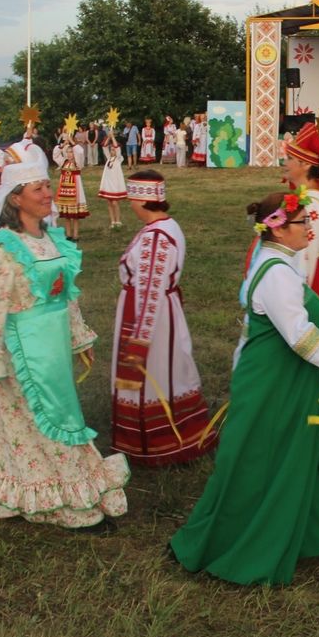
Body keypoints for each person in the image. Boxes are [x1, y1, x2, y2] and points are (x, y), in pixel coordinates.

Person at [169, 190, 319, 585]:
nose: (310, 227)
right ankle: (237, 547)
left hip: (287, 378)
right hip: (274, 383)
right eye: (302, 222)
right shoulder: (276, 275)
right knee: (259, 462)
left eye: (310, 220)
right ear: (276, 229)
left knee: (313, 451)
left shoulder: (278, 262)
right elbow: (304, 340)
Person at [0, 156, 130, 528]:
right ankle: (58, 493)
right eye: (38, 189)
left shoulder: (54, 240)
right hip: (25, 350)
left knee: (25, 420)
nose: (47, 194)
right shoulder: (3, 251)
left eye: (47, 186)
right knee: (41, 418)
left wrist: (79, 336)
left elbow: (66, 294)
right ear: (16, 199)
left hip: (54, 348)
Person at [110, 170, 215, 466]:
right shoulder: (167, 226)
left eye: (132, 197)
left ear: (141, 199)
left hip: (151, 315)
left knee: (153, 374)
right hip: (160, 309)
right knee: (166, 371)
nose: (130, 202)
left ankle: (156, 442)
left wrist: (139, 339)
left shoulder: (155, 237)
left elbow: (150, 289)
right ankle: (171, 433)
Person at [280, 122, 319, 327]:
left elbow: (308, 257)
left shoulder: (313, 205)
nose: (284, 162)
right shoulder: (305, 199)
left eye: (290, 159)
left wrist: (293, 302)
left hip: (307, 288)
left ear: (306, 165)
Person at [52, 130, 89, 241]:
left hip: (75, 188)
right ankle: (68, 234)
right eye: (68, 152)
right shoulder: (63, 162)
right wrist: (63, 144)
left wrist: (72, 141)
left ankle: (76, 234)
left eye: (71, 152)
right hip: (64, 190)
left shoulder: (78, 163)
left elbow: (80, 152)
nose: (69, 154)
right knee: (67, 214)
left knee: (75, 214)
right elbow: (55, 154)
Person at [98, 131, 126, 228]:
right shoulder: (108, 158)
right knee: (109, 203)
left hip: (115, 184)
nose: (112, 151)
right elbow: (104, 146)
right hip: (108, 183)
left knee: (115, 203)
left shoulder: (119, 158)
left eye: (113, 150)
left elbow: (117, 147)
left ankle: (118, 221)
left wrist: (113, 137)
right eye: (111, 150)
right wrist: (108, 137)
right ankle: (112, 221)